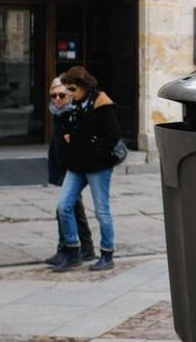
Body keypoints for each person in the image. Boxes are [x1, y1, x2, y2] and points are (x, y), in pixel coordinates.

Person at [53, 66, 122, 272]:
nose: (70, 93)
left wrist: (93, 150)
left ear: (84, 86)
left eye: (73, 89)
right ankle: (73, 250)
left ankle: (107, 254)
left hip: (97, 166)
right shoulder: (74, 105)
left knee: (101, 210)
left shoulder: (102, 104)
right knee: (64, 206)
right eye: (68, 90)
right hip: (76, 165)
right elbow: (67, 128)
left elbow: (113, 135)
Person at [45, 76, 96, 265]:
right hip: (61, 164)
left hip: (73, 166)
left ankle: (68, 248)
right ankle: (83, 247)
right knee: (72, 207)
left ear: (69, 94)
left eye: (61, 95)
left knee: (64, 208)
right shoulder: (58, 112)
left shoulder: (72, 113)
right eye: (53, 95)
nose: (57, 99)